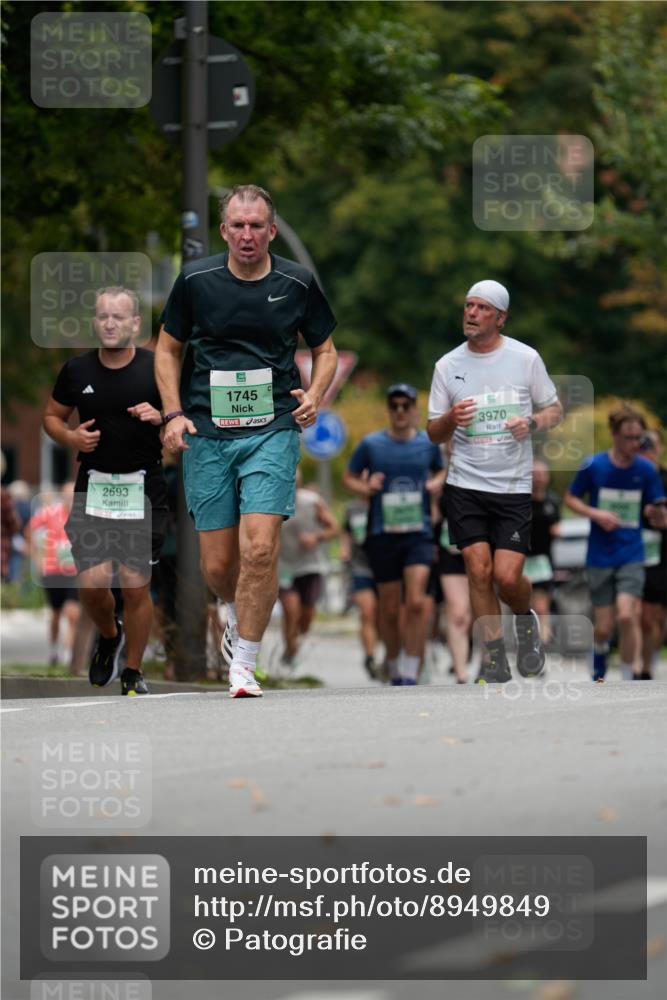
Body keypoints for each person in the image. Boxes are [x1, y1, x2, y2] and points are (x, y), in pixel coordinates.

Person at [156, 184, 337, 698]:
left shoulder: (297, 282)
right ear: (224, 231)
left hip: (272, 427)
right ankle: (234, 611)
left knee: (259, 549)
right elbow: (166, 350)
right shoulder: (195, 280)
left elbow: (325, 350)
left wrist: (315, 394)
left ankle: (245, 666)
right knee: (218, 566)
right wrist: (173, 413)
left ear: (272, 231)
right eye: (238, 225)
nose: (247, 234)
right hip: (208, 433)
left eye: (257, 225)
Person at [427, 279, 563, 683]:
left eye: (482, 308)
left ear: (500, 318)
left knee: (506, 577)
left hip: (512, 487)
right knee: (478, 569)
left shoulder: (525, 358)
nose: (472, 313)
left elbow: (554, 410)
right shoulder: (448, 365)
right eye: (469, 305)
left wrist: (531, 423)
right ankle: (494, 657)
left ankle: (525, 619)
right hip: (465, 484)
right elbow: (433, 432)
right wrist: (451, 418)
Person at [43, 286, 168, 695]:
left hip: (143, 487)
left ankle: (133, 670)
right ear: (95, 322)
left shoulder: (156, 367)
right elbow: (51, 416)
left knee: (134, 583)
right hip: (94, 486)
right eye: (103, 317)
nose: (110, 324)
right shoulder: (77, 370)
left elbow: (185, 416)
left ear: (135, 323)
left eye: (119, 317)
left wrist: (162, 415)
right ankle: (110, 636)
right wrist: (70, 437)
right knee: (93, 586)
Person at [343, 383, 446, 686]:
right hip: (382, 533)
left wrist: (436, 482)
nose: (400, 411)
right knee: (388, 609)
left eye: (405, 406)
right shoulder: (371, 444)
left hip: (419, 532)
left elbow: (441, 469)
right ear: (389, 410)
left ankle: (412, 668)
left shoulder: (428, 444)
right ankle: (393, 662)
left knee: (415, 602)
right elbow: (349, 477)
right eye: (394, 406)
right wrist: (367, 486)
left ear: (414, 410)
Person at [564, 406, 667, 681]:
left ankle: (627, 675)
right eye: (628, 437)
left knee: (627, 615)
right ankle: (599, 650)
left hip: (632, 552)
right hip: (599, 555)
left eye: (638, 438)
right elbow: (570, 498)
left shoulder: (646, 470)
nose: (634, 444)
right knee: (604, 627)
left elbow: (657, 513)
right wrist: (596, 514)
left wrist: (655, 514)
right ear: (614, 434)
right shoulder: (594, 465)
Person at [278, 474, 339, 668]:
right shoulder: (269, 502)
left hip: (310, 565)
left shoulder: (312, 502)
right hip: (284, 566)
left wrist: (316, 537)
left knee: (306, 615)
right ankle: (291, 650)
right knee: (291, 609)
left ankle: (294, 641)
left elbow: (334, 528)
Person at [25, 482, 81, 667]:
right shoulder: (50, 513)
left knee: (72, 613)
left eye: (73, 495)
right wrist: (36, 557)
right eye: (67, 495)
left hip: (75, 571)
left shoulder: (82, 515)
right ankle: (54, 649)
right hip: (53, 570)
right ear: (62, 496)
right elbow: (29, 529)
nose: (70, 499)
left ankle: (68, 654)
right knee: (56, 613)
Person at [341, 494, 380, 679]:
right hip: (360, 566)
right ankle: (370, 657)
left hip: (385, 565)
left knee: (386, 615)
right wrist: (345, 548)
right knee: (367, 613)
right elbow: (345, 531)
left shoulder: (386, 499)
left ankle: (391, 656)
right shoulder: (352, 508)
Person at [638, 429, 667, 678]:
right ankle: (643, 667)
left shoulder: (664, 478)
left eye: (651, 445)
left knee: (658, 617)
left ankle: (651, 657)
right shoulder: (631, 477)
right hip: (635, 552)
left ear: (659, 449)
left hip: (662, 553)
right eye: (642, 445)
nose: (646, 450)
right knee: (643, 616)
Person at [527, 460, 561, 646]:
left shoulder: (552, 501)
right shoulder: (520, 501)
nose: (538, 477)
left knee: (541, 606)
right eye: (535, 473)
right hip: (521, 559)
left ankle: (542, 644)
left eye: (542, 473)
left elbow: (557, 528)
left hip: (543, 561)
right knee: (523, 604)